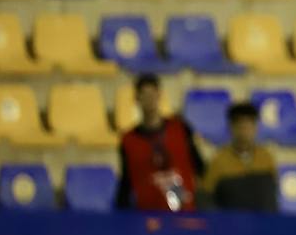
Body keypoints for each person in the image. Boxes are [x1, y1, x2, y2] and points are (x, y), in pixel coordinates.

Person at [116, 73, 202, 212]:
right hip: (149, 216)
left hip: (184, 214)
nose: (149, 99)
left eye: (152, 94)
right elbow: (126, 181)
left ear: (159, 95)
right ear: (137, 98)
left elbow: (198, 165)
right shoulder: (128, 140)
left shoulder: (180, 129)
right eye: (144, 95)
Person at [200, 102, 277, 211]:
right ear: (231, 127)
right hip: (231, 224)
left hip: (263, 224)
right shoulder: (218, 161)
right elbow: (205, 198)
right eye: (240, 126)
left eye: (249, 126)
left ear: (256, 127)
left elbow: (272, 199)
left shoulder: (266, 158)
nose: (244, 131)